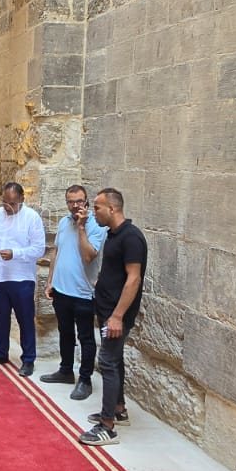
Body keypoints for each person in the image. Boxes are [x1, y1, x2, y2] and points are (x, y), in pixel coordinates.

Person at [79, 188, 151, 448]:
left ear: (112, 208)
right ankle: (118, 409)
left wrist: (117, 316)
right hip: (106, 309)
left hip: (115, 314)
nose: (93, 212)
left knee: (107, 362)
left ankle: (107, 426)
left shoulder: (131, 237)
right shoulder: (113, 234)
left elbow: (134, 279)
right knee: (115, 360)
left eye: (97, 207)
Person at [42, 184, 107, 400]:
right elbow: (56, 251)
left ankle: (85, 379)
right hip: (61, 290)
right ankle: (66, 370)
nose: (75, 206)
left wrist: (81, 227)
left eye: (79, 201)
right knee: (65, 332)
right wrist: (50, 281)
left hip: (83, 293)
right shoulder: (63, 222)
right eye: (70, 202)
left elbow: (89, 256)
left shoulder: (96, 226)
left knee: (86, 337)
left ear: (86, 201)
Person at [0, 181, 46, 376]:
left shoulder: (32, 217)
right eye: (4, 202)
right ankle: (0, 353)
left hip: (22, 278)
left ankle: (28, 359)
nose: (7, 207)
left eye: (12, 203)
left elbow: (39, 249)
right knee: (0, 319)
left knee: (25, 320)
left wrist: (15, 253)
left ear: (22, 199)